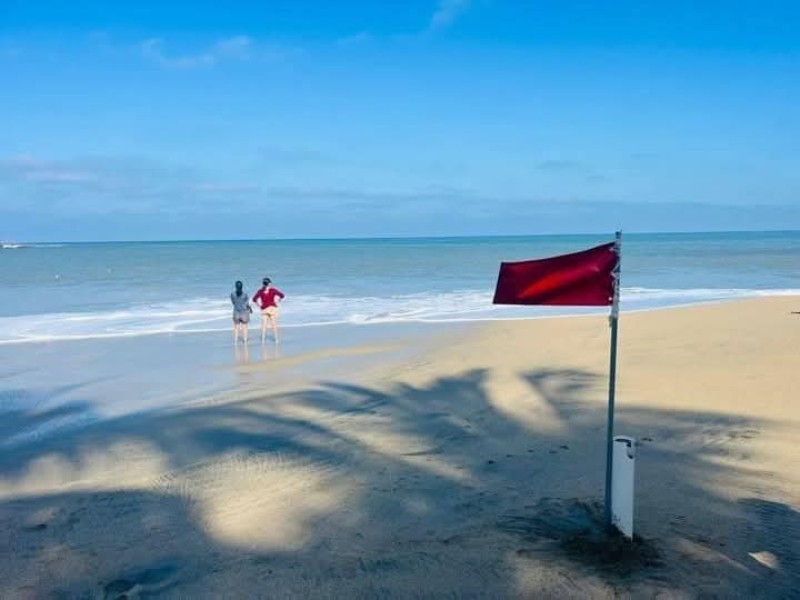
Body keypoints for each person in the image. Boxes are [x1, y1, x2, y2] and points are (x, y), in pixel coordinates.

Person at [252, 277, 285, 343]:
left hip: (264, 308)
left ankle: (263, 340)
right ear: (269, 283)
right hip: (272, 308)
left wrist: (259, 305)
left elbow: (254, 299)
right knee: (274, 324)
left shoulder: (260, 291)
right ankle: (276, 339)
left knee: (264, 325)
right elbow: (282, 295)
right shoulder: (273, 290)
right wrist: (278, 301)